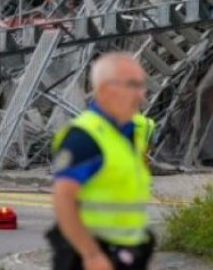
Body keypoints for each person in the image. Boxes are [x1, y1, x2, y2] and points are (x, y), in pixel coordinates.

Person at [48, 52, 156, 270]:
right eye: (133, 85)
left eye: (142, 85)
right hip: (92, 256)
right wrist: (91, 254)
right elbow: (63, 198)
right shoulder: (84, 136)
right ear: (106, 90)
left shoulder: (129, 131)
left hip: (125, 253)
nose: (141, 94)